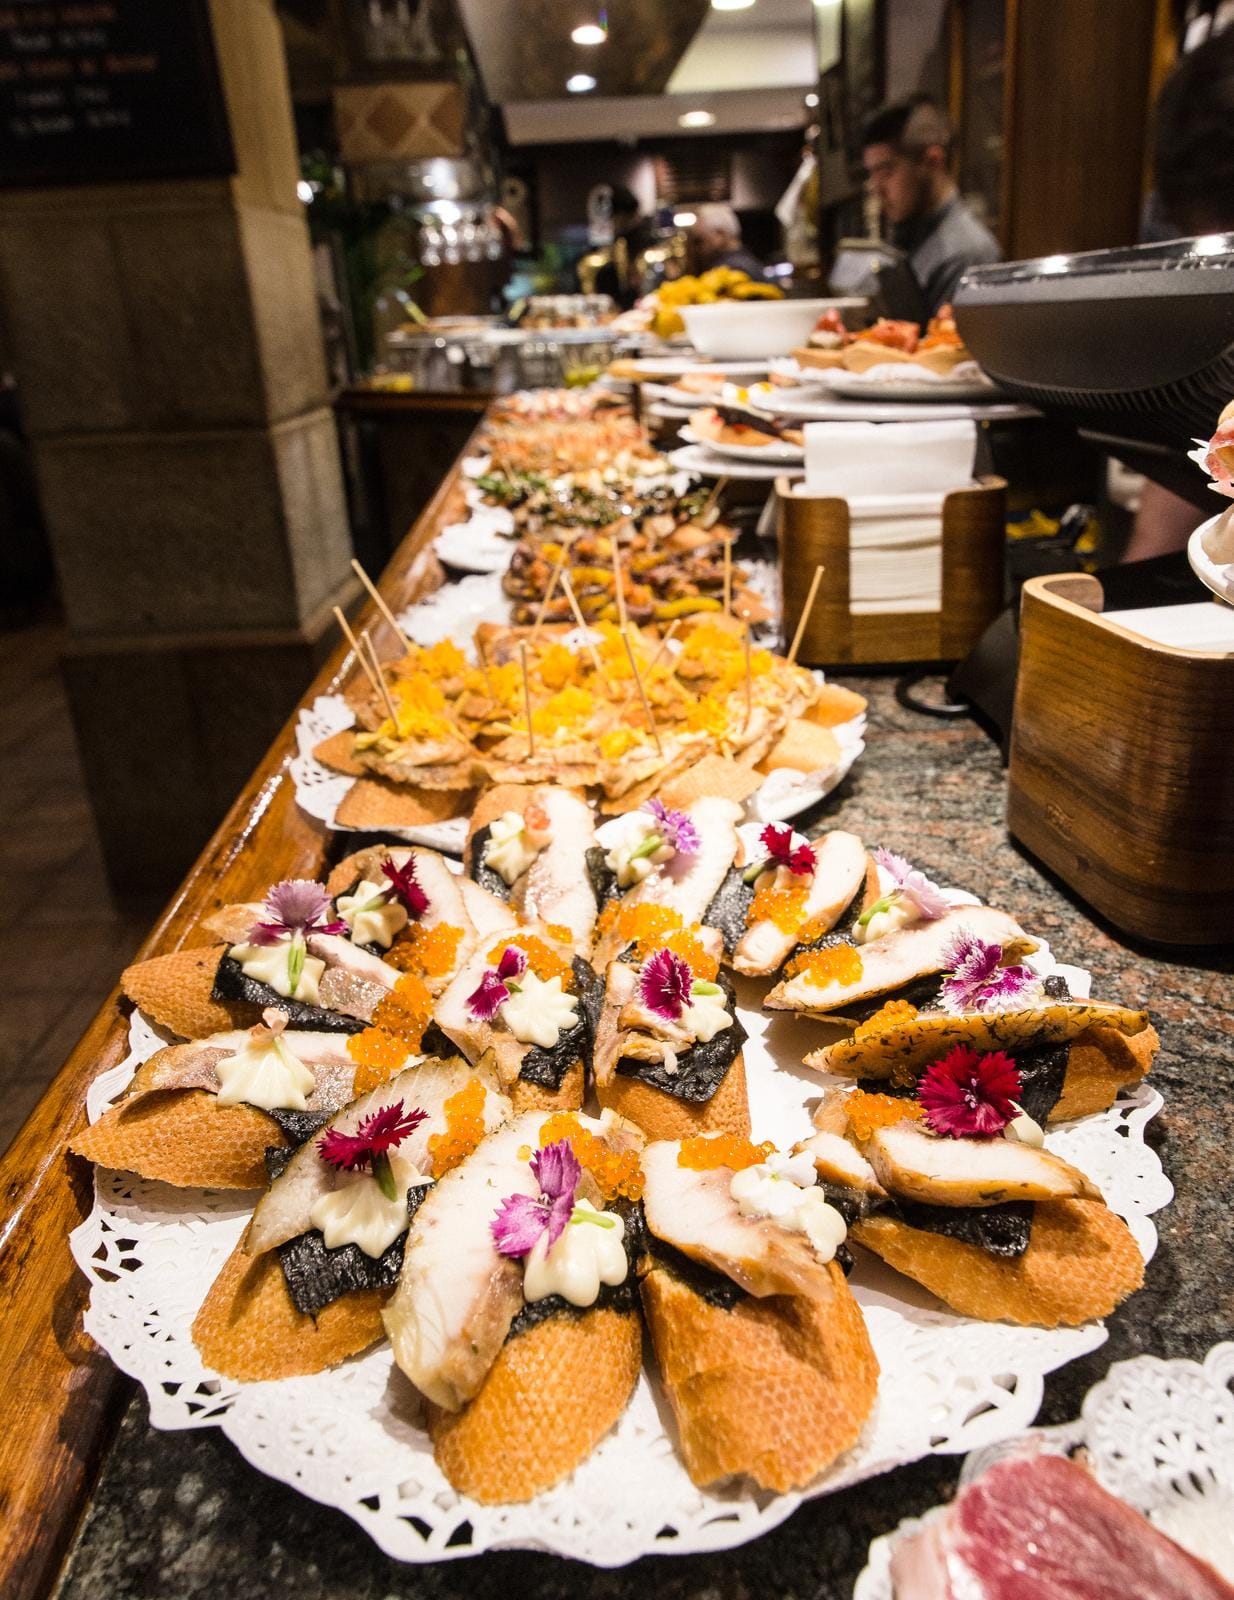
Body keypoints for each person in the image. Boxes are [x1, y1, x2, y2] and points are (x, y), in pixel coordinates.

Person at [861, 95, 1000, 316]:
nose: (876, 189)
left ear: (933, 162)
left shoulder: (967, 255)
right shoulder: (915, 232)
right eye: (871, 174)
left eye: (886, 171)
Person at [593, 185, 659, 310]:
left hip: (641, 303)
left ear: (622, 215)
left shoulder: (640, 239)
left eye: (613, 217)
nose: (611, 223)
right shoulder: (622, 239)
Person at [685, 204, 767, 280]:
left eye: (700, 240)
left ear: (720, 234)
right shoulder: (750, 261)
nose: (698, 248)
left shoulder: (728, 270)